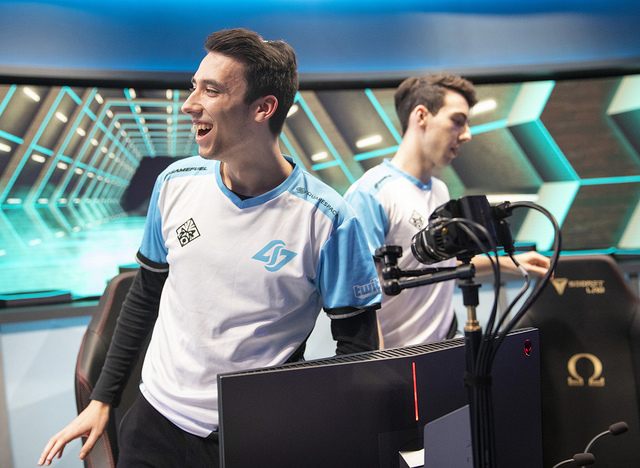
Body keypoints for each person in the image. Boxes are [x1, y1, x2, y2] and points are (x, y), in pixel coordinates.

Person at [39, 28, 381, 467]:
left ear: (263, 108)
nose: (189, 104)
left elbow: (356, 349)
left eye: (211, 90)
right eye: (193, 86)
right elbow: (144, 296)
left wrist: (308, 426)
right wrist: (102, 399)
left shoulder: (328, 218)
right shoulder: (173, 184)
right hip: (153, 425)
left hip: (255, 437)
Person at [344, 74, 550, 349]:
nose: (467, 134)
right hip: (401, 361)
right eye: (457, 120)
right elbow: (362, 299)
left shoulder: (440, 190)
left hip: (444, 348)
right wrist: (381, 367)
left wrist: (511, 263)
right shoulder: (370, 193)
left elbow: (436, 265)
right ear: (421, 116)